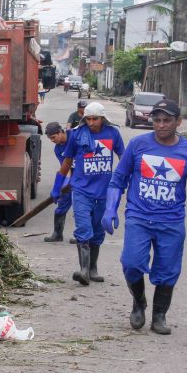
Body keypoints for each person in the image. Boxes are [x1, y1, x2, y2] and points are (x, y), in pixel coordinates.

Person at [102, 99, 187, 335]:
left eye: (167, 120)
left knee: (168, 270)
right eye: (157, 120)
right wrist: (110, 208)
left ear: (178, 122)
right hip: (139, 217)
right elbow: (118, 178)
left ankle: (159, 315)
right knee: (131, 263)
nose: (161, 125)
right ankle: (139, 301)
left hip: (171, 221)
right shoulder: (138, 144)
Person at [51, 102, 125, 285]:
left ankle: (93, 269)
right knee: (83, 227)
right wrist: (57, 185)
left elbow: (123, 158)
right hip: (81, 190)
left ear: (103, 118)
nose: (92, 123)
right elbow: (67, 162)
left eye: (95, 119)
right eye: (89, 119)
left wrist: (124, 179)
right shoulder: (77, 135)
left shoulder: (113, 133)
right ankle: (83, 270)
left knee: (98, 231)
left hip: (104, 191)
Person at [43, 122, 74, 243]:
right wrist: (57, 187)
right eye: (50, 138)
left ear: (61, 132)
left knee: (80, 207)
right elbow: (64, 168)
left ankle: (82, 235)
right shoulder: (58, 149)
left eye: (53, 137)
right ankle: (57, 234)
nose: (52, 140)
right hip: (70, 177)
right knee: (62, 204)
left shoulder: (75, 136)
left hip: (84, 178)